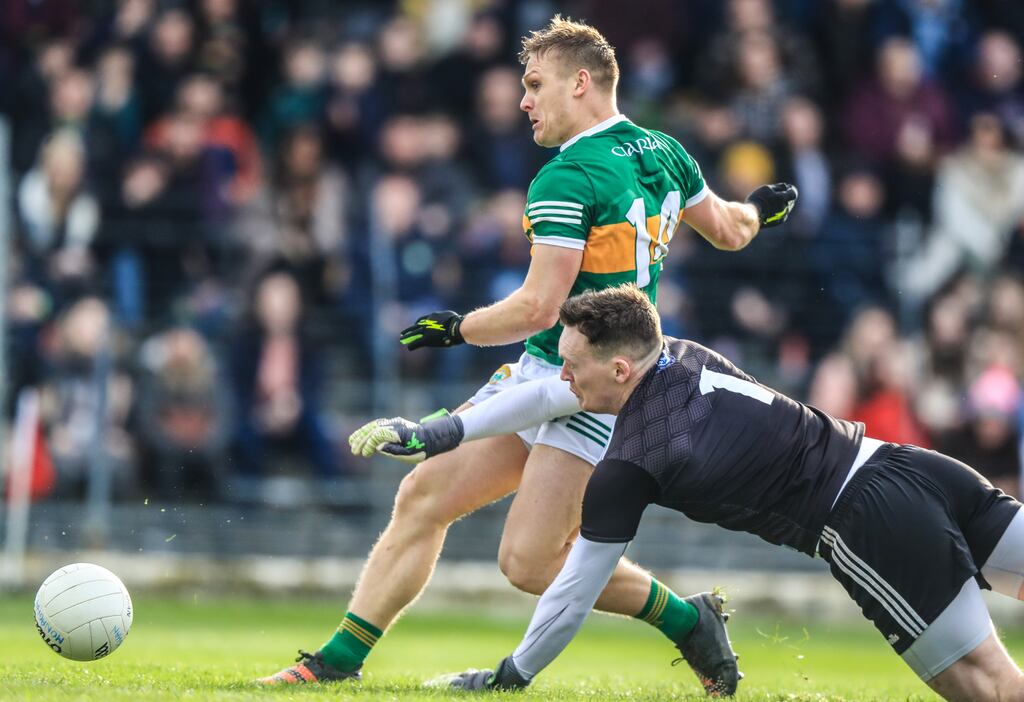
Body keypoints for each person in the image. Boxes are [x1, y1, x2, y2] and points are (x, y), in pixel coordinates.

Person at [258, 15, 797, 691]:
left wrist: (456, 327)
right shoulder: (665, 152)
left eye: (535, 84)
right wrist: (762, 210)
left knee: (531, 564)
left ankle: (688, 619)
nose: (523, 101)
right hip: (569, 370)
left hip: (594, 386)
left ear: (581, 83)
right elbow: (728, 230)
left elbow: (538, 308)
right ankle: (336, 661)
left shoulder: (567, 176)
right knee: (423, 495)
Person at [357, 284, 1024, 702]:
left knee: (993, 689)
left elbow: (569, 594)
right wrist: (441, 432)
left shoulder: (632, 462)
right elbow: (543, 393)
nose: (563, 377)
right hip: (915, 467)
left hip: (871, 525)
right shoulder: (676, 351)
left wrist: (511, 677)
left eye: (571, 363)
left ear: (617, 368)